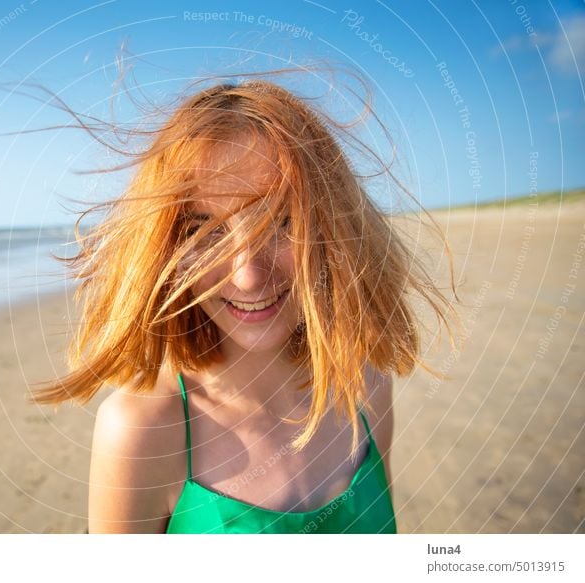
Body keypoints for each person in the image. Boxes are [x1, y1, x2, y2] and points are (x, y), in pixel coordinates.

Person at [31, 73, 459, 534]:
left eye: (281, 224)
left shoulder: (365, 385)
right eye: (207, 230)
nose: (248, 275)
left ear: (333, 228)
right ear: (166, 249)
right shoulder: (144, 432)